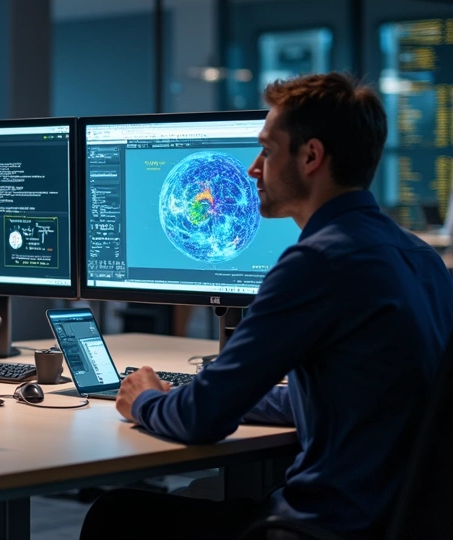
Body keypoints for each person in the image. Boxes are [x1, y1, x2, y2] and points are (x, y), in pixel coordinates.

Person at [81, 73, 453, 539]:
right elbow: (356, 398)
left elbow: (201, 422)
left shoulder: (317, 262)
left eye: (268, 150)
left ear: (311, 157)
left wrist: (147, 401)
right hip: (397, 521)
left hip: (322, 527)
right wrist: (209, 392)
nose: (254, 168)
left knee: (116, 516)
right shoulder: (422, 258)